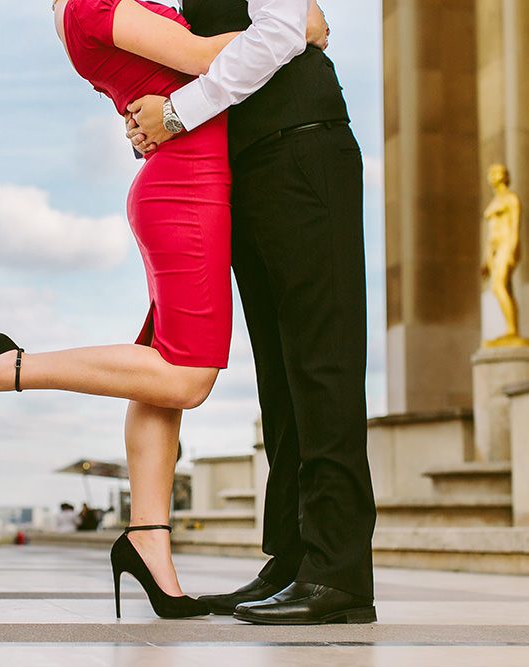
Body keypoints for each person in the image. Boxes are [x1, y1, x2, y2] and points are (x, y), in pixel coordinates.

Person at [0, 0, 328, 619]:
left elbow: (244, 51)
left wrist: (282, 32)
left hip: (187, 188)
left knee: (157, 378)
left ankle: (149, 546)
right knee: (186, 379)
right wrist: (287, 31)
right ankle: (4, 365)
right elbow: (203, 58)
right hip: (185, 194)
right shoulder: (93, 8)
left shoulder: (105, 8)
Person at [125, 0, 378, 625]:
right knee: (282, 376)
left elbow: (285, 29)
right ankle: (294, 558)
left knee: (322, 364)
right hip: (250, 164)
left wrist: (178, 114)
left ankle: (339, 574)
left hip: (302, 149)